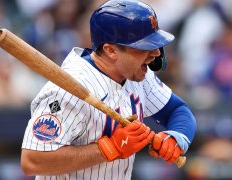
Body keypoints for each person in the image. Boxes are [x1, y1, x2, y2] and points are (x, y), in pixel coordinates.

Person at [20, 0, 197, 179]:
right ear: (111, 50)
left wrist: (175, 138)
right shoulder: (67, 90)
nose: (156, 53)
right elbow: (32, 161)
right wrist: (109, 148)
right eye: (144, 47)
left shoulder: (136, 73)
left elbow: (178, 110)